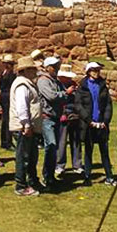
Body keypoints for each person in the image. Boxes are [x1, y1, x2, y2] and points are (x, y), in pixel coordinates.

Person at [75, 61, 114, 186]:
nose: (96, 72)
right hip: (88, 125)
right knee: (88, 151)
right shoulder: (82, 86)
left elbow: (108, 104)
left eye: (98, 70)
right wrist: (88, 120)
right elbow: (78, 105)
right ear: (88, 72)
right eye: (93, 70)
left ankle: (109, 177)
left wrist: (105, 121)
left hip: (101, 123)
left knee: (104, 151)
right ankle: (87, 177)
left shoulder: (102, 85)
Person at [9, 56, 43, 197]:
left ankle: (32, 181)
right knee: (23, 156)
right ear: (26, 70)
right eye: (33, 69)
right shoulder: (22, 85)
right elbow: (22, 107)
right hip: (24, 127)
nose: (35, 72)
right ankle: (21, 185)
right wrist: (26, 124)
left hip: (28, 126)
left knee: (31, 156)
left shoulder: (26, 83)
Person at [35, 56, 67, 189]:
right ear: (47, 68)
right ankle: (46, 176)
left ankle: (50, 176)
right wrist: (65, 93)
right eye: (54, 66)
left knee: (53, 148)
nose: (57, 68)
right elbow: (52, 96)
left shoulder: (55, 81)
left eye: (57, 66)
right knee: (51, 146)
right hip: (47, 118)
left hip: (55, 118)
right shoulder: (43, 81)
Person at [55, 68, 82, 177]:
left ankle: (77, 165)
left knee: (76, 142)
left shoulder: (75, 86)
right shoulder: (57, 85)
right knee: (61, 142)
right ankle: (60, 165)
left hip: (74, 116)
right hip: (62, 116)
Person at [0, 54, 16, 150]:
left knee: (5, 119)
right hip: (8, 97)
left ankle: (6, 141)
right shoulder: (9, 74)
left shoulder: (1, 73)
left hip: (4, 96)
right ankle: (7, 142)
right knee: (7, 119)